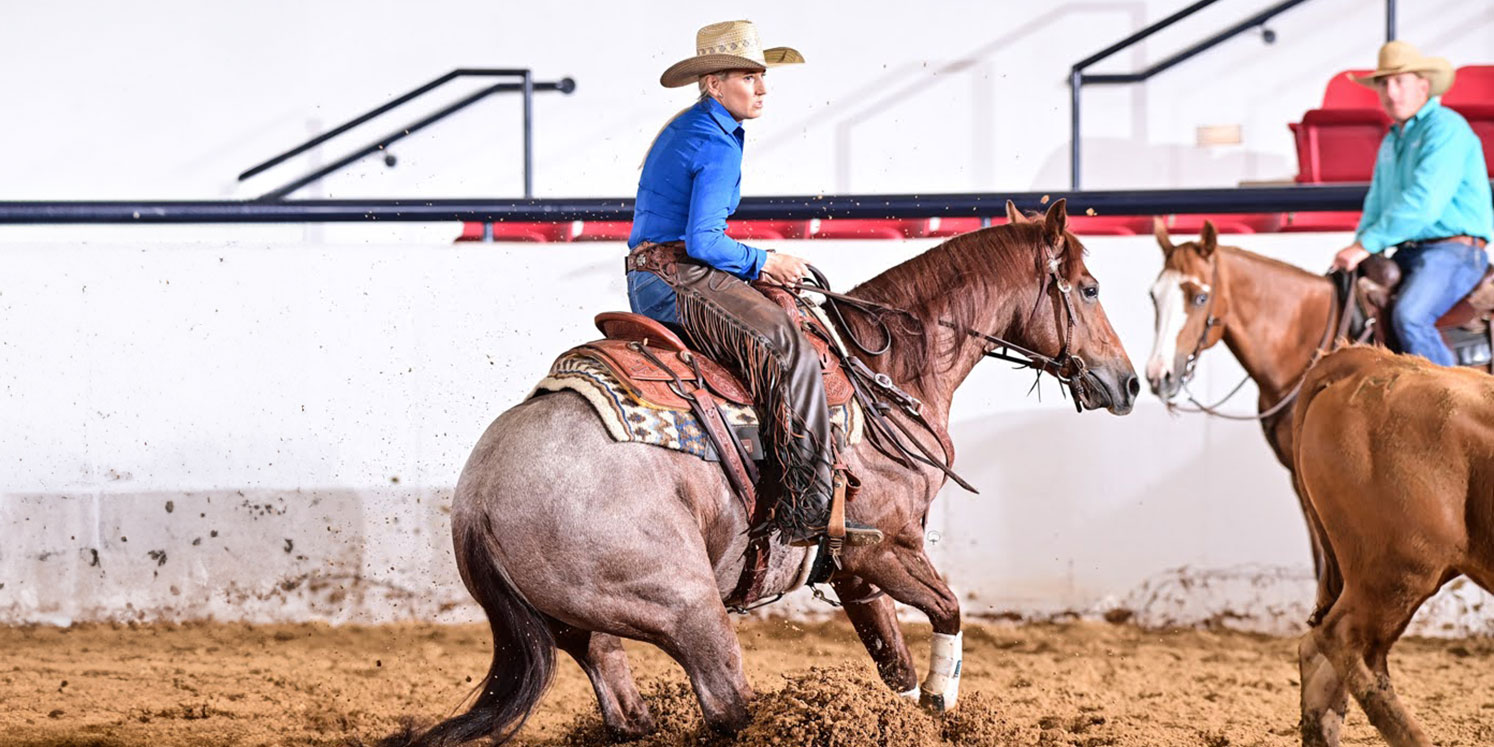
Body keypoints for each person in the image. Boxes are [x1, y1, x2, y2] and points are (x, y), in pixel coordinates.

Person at [625, 20, 881, 548]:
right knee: (790, 347)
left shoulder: (695, 128)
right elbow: (703, 242)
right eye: (749, 77)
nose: (762, 89)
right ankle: (808, 502)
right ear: (714, 83)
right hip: (675, 276)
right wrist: (764, 262)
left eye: (763, 76)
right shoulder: (715, 144)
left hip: (658, 271)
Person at [1330, 41, 1494, 366]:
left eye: (1399, 81)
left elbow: (1425, 202)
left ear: (1424, 85)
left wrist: (1366, 244)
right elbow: (1377, 202)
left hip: (1456, 253)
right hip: (1411, 251)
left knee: (1410, 317)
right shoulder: (1393, 140)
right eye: (1383, 83)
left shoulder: (1446, 129)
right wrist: (1358, 250)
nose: (1391, 92)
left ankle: (1449, 405)